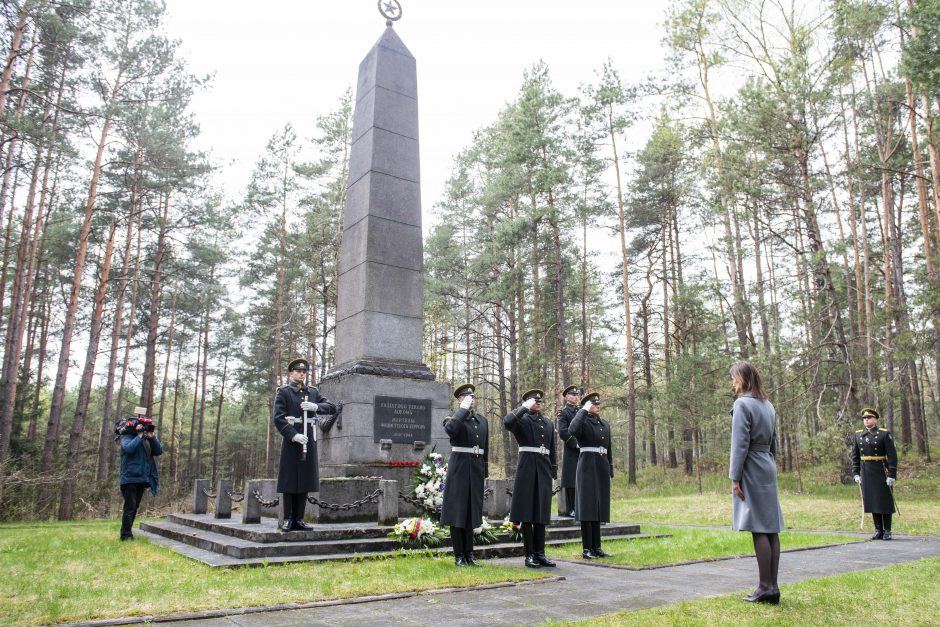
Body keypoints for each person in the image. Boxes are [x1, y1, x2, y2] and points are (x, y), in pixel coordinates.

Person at [729, 362, 783, 605]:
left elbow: (739, 444)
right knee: (770, 527)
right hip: (767, 464)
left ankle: (764, 586)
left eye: (734, 378)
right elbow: (773, 443)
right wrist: (769, 463)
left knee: (758, 526)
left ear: (742, 378)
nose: (733, 382)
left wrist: (735, 476)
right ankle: (773, 586)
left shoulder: (742, 404)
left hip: (750, 464)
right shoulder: (767, 404)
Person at [272, 358, 337, 532]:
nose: (301, 374)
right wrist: (293, 435)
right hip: (292, 442)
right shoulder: (284, 392)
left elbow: (331, 407)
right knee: (290, 480)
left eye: (304, 372)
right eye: (298, 371)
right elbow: (278, 418)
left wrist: (316, 407)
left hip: (309, 440)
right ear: (291, 373)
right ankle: (288, 518)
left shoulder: (313, 392)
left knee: (305, 480)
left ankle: (299, 519)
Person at [504, 388, 557, 568]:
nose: (538, 402)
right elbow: (507, 421)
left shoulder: (548, 423)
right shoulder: (521, 420)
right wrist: (523, 408)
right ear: (527, 402)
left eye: (540, 400)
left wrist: (553, 473)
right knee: (527, 513)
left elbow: (552, 450)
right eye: (534, 400)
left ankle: (540, 553)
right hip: (527, 469)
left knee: (541, 513)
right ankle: (529, 555)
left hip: (543, 469)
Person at [440, 383, 490, 567]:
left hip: (475, 469)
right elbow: (451, 429)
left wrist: (484, 471)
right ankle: (459, 555)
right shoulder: (452, 417)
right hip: (459, 469)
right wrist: (462, 409)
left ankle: (470, 554)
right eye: (466, 397)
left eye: (473, 397)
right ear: (460, 399)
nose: (471, 400)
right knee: (458, 511)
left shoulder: (482, 420)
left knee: (471, 513)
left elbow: (486, 449)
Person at [569, 391, 613, 559]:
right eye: (594, 404)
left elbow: (609, 449)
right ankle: (587, 548)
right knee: (588, 508)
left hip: (601, 466)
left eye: (599, 404)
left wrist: (610, 469)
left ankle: (597, 546)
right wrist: (582, 411)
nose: (598, 406)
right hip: (587, 465)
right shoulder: (582, 422)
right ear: (587, 405)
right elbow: (572, 430)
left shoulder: (605, 424)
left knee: (598, 508)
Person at [852, 407, 898, 540]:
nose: (866, 420)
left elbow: (892, 456)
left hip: (881, 471)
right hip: (866, 472)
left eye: (869, 418)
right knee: (872, 501)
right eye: (865, 418)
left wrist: (891, 474)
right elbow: (855, 456)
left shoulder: (884, 434)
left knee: (884, 501)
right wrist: (856, 473)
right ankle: (878, 530)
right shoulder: (858, 435)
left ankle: (887, 530)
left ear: (875, 419)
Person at [119, 406, 163, 541]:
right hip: (129, 478)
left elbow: (159, 451)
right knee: (130, 506)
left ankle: (127, 532)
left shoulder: (146, 440)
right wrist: (138, 436)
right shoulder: (126, 438)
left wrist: (151, 437)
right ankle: (126, 535)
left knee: (135, 506)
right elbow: (129, 449)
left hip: (142, 479)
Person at [556, 384, 581, 517]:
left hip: (585, 451)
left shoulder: (582, 410)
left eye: (577, 395)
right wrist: (576, 444)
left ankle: (582, 506)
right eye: (573, 395)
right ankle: (572, 508)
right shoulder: (563, 412)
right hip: (572, 450)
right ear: (566, 397)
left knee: (583, 479)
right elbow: (563, 431)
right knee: (571, 480)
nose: (576, 397)